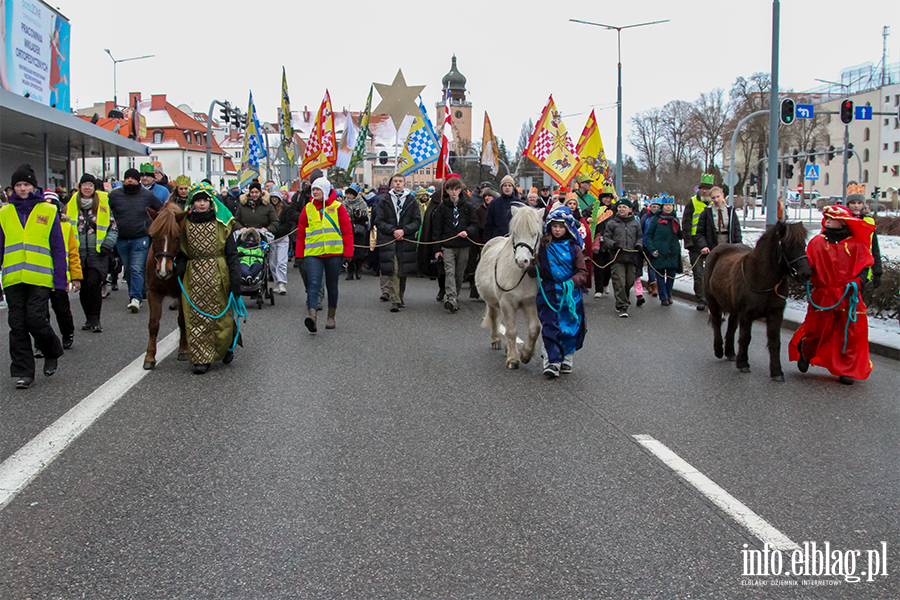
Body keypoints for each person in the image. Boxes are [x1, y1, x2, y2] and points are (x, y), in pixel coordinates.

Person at [789, 205, 875, 385]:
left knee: (850, 334)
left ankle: (846, 370)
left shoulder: (857, 245)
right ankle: (806, 351)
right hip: (823, 296)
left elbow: (865, 268)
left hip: (848, 296)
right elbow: (809, 266)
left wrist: (858, 283)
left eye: (831, 217)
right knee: (816, 330)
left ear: (843, 222)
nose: (827, 220)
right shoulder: (817, 243)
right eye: (826, 217)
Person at [0, 164, 67, 389]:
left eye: (26, 184)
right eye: (18, 185)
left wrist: (60, 280)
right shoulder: (4, 212)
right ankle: (23, 372)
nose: (22, 188)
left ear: (34, 187)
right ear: (12, 188)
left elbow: (58, 247)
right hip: (13, 278)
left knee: (37, 321)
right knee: (17, 325)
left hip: (39, 278)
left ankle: (51, 350)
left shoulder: (47, 211)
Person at [178, 183, 242, 374]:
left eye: (205, 200)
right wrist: (180, 264)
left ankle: (226, 346)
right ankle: (201, 358)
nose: (202, 204)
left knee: (220, 316)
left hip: (218, 273)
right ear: (192, 203)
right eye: (198, 200)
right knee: (196, 316)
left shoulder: (222, 224)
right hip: (194, 274)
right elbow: (180, 248)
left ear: (211, 202)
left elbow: (231, 253)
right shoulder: (185, 224)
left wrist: (235, 279)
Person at [530, 206, 588, 379]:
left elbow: (582, 272)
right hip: (549, 293)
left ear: (568, 228)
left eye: (561, 226)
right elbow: (535, 272)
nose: (557, 229)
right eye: (554, 226)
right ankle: (552, 362)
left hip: (570, 296)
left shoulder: (574, 248)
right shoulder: (542, 247)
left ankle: (567, 358)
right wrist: (531, 263)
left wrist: (572, 282)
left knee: (570, 328)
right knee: (550, 326)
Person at [295, 177, 353, 331]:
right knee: (313, 284)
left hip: (333, 253)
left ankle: (331, 317)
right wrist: (299, 254)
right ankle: (312, 317)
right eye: (313, 189)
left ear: (326, 191)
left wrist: (348, 252)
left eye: (318, 189)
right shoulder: (307, 208)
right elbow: (301, 234)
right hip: (313, 254)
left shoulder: (338, 207)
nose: (314, 192)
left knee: (331, 285)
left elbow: (347, 231)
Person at [108, 168, 163, 313]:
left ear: (137, 180)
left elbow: (160, 211)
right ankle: (141, 289)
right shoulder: (114, 195)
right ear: (124, 180)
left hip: (141, 237)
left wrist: (152, 226)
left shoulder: (147, 196)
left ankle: (135, 298)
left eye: (132, 178)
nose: (130, 180)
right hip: (121, 238)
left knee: (136, 268)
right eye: (127, 178)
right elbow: (106, 211)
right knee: (128, 269)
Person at [67, 175, 117, 332]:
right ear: (79, 186)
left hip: (98, 253)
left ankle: (96, 318)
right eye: (84, 184)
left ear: (94, 188)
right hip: (78, 253)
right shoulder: (71, 205)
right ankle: (88, 317)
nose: (87, 187)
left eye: (90, 185)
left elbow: (113, 228)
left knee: (93, 284)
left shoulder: (103, 204)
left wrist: (107, 245)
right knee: (83, 287)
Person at [374, 173, 421, 312]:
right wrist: (393, 230)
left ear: (404, 183)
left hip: (406, 241)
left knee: (403, 270)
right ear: (392, 183)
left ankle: (400, 296)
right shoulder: (385, 200)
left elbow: (417, 221)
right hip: (390, 240)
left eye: (400, 181)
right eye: (395, 181)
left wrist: (404, 231)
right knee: (393, 270)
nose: (398, 183)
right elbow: (379, 221)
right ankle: (395, 300)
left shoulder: (411, 200)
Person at [41, 190, 81, 351]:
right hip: (40, 278)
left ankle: (67, 334)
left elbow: (73, 254)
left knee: (62, 310)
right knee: (40, 315)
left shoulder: (65, 228)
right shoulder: (36, 227)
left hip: (59, 278)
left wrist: (76, 276)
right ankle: (40, 343)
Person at [433, 176, 477, 313]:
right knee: (449, 271)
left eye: (456, 189)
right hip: (447, 245)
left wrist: (467, 231)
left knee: (459, 273)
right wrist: (437, 248)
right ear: (447, 191)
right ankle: (451, 298)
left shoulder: (468, 207)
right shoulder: (442, 207)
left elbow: (475, 225)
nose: (453, 192)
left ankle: (455, 295)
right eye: (450, 189)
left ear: (460, 190)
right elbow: (436, 229)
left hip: (463, 245)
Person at [603, 198, 642, 317]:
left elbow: (640, 236)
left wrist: (639, 245)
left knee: (629, 281)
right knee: (619, 280)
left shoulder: (635, 223)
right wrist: (613, 244)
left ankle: (623, 298)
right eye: (619, 207)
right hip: (617, 256)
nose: (621, 209)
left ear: (629, 209)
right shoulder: (612, 223)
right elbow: (606, 238)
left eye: (624, 207)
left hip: (631, 256)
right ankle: (622, 305)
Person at [681, 173, 714, 310]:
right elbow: (686, 223)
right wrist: (688, 242)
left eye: (707, 188)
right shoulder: (693, 202)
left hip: (711, 243)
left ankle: (712, 298)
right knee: (698, 274)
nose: (704, 191)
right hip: (695, 243)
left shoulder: (714, 203)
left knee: (712, 273)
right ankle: (701, 299)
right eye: (702, 188)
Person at [845, 183, 882, 289]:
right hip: (845, 267)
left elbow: (874, 248)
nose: (856, 205)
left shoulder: (869, 222)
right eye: (853, 203)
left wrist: (878, 272)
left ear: (863, 205)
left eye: (859, 203)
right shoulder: (843, 221)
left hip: (863, 268)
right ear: (848, 205)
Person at [645, 199, 681, 306]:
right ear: (663, 207)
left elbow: (679, 235)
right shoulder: (656, 219)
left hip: (672, 251)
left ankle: (669, 294)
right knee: (660, 276)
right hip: (659, 251)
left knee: (671, 276)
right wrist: (652, 249)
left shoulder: (675, 219)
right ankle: (663, 297)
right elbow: (649, 235)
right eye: (666, 205)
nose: (668, 207)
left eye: (670, 205)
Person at [418, 184, 446, 302]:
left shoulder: (463, 199)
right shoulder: (436, 200)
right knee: (441, 266)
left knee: (453, 269)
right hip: (438, 236)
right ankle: (442, 288)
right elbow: (429, 218)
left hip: (456, 238)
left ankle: (453, 292)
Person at [696, 186, 742, 253]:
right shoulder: (707, 212)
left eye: (718, 197)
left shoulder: (730, 211)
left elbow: (736, 230)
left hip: (729, 245)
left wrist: (738, 245)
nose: (716, 200)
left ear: (722, 195)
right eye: (713, 198)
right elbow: (700, 232)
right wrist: (704, 246)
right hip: (713, 246)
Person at [564, 192, 593, 291]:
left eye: (574, 204)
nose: (572, 205)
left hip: (578, 247)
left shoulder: (580, 218)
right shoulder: (562, 216)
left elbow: (586, 232)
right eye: (570, 203)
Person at [483, 175, 524, 241]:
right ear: (502, 187)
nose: (507, 188)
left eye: (509, 185)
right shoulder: (494, 204)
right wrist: (487, 241)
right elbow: (489, 225)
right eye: (505, 185)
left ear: (513, 188)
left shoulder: (520, 204)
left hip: (516, 240)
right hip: (498, 240)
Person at [342, 185, 369, 281]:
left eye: (350, 194)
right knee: (349, 251)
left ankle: (358, 270)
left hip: (359, 230)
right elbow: (342, 215)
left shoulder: (362, 203)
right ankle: (350, 272)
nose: (348, 196)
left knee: (359, 252)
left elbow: (366, 217)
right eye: (347, 194)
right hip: (348, 229)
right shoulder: (344, 203)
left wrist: (360, 216)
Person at [267, 191, 289, 294]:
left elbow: (288, 223)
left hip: (283, 238)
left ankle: (281, 283)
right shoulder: (268, 209)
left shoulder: (285, 209)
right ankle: (276, 282)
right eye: (272, 197)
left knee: (281, 261)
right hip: (271, 238)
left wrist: (278, 231)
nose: (274, 199)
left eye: (276, 197)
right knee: (272, 263)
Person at [640, 197, 662, 298]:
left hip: (657, 245)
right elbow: (641, 230)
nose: (655, 208)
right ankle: (654, 286)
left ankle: (651, 283)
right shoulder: (645, 217)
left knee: (655, 266)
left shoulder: (662, 218)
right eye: (653, 206)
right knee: (651, 266)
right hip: (646, 245)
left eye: (657, 207)